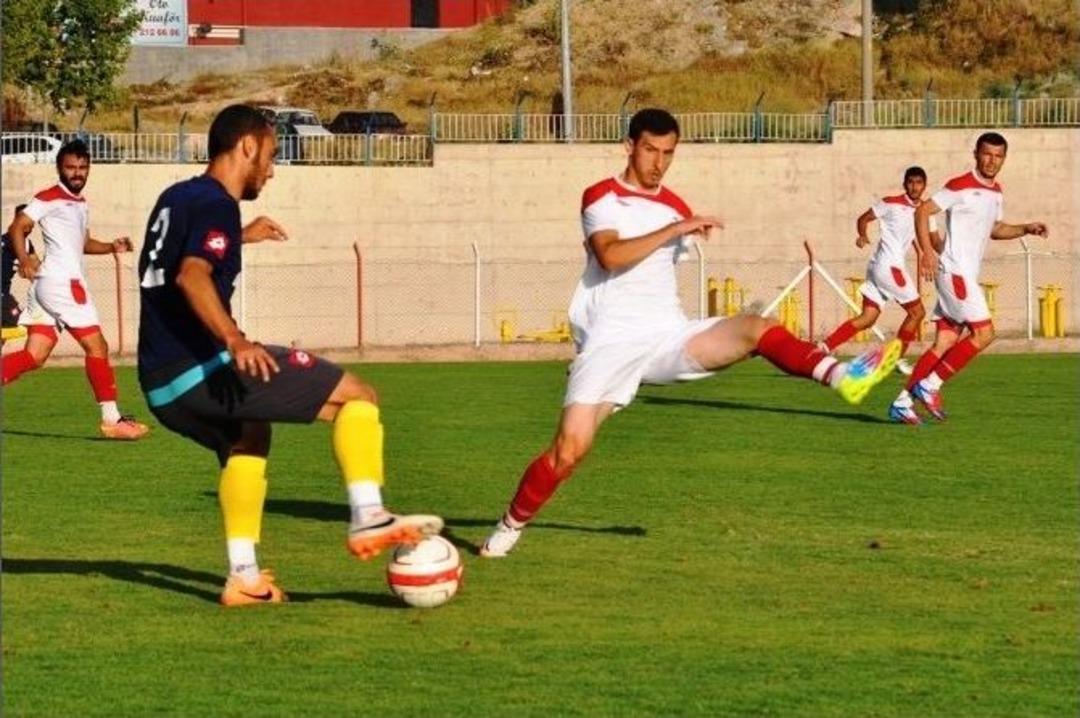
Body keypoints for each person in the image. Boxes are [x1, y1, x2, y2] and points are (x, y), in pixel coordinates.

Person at [480, 108, 901, 558]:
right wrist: (675, 229)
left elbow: (654, 273)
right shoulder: (601, 196)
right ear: (629, 146)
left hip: (666, 336)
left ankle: (843, 377)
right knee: (568, 452)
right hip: (609, 345)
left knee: (757, 327)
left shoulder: (674, 206)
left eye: (668, 153)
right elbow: (610, 257)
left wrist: (677, 225)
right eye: (650, 150)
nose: (658, 162)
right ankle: (508, 528)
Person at [137, 104, 442, 607]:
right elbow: (191, 273)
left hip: (162, 386)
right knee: (358, 396)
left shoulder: (178, 196)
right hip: (204, 367)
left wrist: (239, 237)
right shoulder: (216, 204)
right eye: (272, 156)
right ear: (247, 147)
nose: (273, 170)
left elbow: (177, 257)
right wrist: (235, 340)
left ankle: (244, 578)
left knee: (249, 437)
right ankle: (369, 515)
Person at [888, 132, 1048, 424]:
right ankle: (930, 385)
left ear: (1004, 159)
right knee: (985, 334)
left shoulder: (996, 192)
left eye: (998, 156)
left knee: (944, 342)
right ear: (976, 153)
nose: (992, 160)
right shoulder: (959, 185)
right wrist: (926, 252)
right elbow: (923, 211)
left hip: (964, 274)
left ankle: (902, 402)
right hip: (954, 271)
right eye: (986, 154)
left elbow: (995, 229)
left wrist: (1025, 228)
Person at [2, 141, 149, 440]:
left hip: (54, 286)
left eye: (82, 168)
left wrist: (111, 247)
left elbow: (82, 243)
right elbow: (18, 227)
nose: (77, 173)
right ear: (60, 168)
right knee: (98, 347)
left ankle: (113, 418)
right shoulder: (49, 197)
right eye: (71, 167)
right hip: (61, 286)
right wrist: (25, 258)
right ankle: (112, 420)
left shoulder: (80, 203)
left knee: (35, 356)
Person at [818, 167, 940, 378]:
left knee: (868, 318)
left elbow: (922, 237)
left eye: (919, 182)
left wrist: (924, 253)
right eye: (911, 182)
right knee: (917, 312)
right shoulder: (890, 203)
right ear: (905, 184)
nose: (914, 186)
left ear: (925, 185)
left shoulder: (927, 212)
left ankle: (823, 348)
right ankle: (895, 359)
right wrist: (862, 235)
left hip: (880, 267)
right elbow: (862, 219)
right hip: (888, 266)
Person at [2, 204, 34, 340]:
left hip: (5, 295)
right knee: (21, 323)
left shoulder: (26, 244)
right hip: (2, 297)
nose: (27, 225)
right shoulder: (9, 241)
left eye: (30, 220)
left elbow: (36, 269)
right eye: (23, 220)